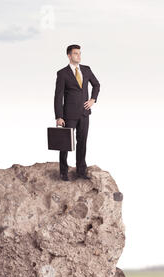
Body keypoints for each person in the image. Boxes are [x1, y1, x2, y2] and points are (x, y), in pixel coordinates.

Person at [54, 44, 100, 181]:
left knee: (82, 142)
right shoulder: (62, 73)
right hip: (69, 114)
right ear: (69, 56)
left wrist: (93, 99)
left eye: (79, 53)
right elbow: (58, 96)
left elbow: (96, 85)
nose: (78, 56)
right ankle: (63, 171)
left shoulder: (86, 70)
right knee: (65, 144)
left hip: (84, 113)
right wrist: (59, 116)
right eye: (75, 54)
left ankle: (81, 170)